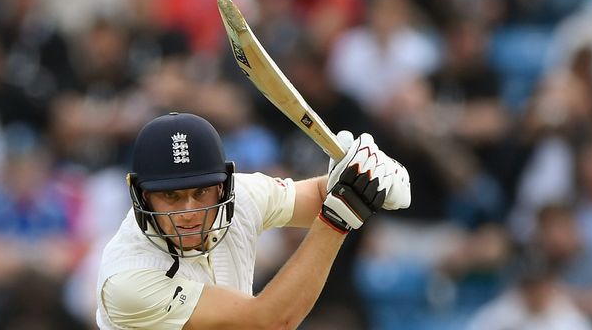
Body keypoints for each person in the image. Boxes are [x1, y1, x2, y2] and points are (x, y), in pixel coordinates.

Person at [95, 112, 411, 329]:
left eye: (201, 191)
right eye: (171, 197)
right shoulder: (128, 279)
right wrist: (339, 218)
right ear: (142, 195)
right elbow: (269, 322)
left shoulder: (240, 196)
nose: (189, 211)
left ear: (222, 186)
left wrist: (365, 176)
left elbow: (320, 195)